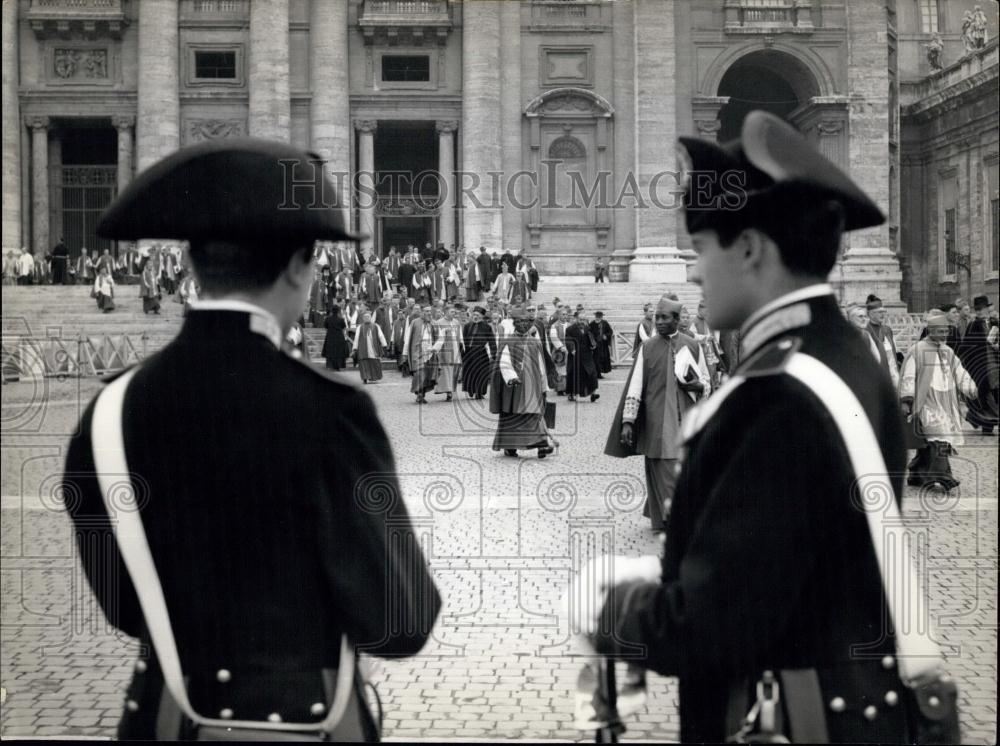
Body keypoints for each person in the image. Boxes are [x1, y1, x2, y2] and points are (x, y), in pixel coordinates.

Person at [63, 138, 440, 740]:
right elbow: (400, 618)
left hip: (167, 718)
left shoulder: (110, 408)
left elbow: (121, 603)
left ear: (191, 265)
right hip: (310, 720)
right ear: (298, 264)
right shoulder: (332, 410)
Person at [574, 111, 921, 744]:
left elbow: (714, 625)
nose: (695, 271)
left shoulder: (774, 397)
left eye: (702, 248)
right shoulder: (846, 356)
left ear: (752, 247)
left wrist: (611, 602)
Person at [605, 294, 709, 531]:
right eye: (656, 318)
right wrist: (628, 421)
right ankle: (672, 515)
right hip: (656, 417)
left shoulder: (692, 345)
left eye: (664, 318)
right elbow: (635, 385)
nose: (659, 322)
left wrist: (699, 385)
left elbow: (706, 379)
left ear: (676, 320)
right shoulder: (648, 348)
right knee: (662, 464)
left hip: (686, 416)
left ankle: (668, 513)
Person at [900, 308, 978, 489]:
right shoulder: (917, 350)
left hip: (946, 400)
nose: (944, 335)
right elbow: (909, 376)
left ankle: (916, 472)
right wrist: (907, 400)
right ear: (931, 330)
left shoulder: (948, 351)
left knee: (931, 440)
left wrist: (970, 387)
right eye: (941, 331)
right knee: (939, 435)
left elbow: (959, 371)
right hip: (927, 400)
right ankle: (943, 476)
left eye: (946, 331)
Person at [490, 305, 554, 458]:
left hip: (533, 385)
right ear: (514, 324)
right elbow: (504, 362)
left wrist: (543, 384)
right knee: (512, 415)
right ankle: (510, 446)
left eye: (527, 322)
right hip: (514, 387)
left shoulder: (535, 342)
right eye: (520, 322)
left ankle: (542, 446)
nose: (524, 324)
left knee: (535, 413)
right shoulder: (508, 341)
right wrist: (511, 377)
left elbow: (541, 365)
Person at [956, 295, 998, 434]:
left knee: (994, 392)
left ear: (987, 308)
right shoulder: (973, 325)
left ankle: (978, 419)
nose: (980, 312)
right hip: (981, 365)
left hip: (994, 362)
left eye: (982, 309)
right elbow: (966, 346)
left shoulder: (994, 323)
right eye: (977, 309)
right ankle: (986, 425)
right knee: (984, 393)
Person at [402, 305, 438, 404]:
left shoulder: (433, 323)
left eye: (430, 311)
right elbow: (407, 338)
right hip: (417, 352)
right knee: (419, 374)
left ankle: (421, 395)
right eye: (426, 311)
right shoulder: (414, 323)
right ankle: (419, 393)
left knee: (427, 375)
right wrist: (405, 353)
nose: (429, 313)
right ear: (421, 312)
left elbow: (437, 338)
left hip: (429, 354)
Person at [865, 294, 900, 389]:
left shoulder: (887, 330)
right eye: (879, 312)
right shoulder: (866, 331)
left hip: (892, 375)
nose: (883, 314)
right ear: (871, 314)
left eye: (883, 311)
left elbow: (893, 355)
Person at [565, 311, 600, 403]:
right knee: (574, 375)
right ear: (576, 319)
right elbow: (568, 340)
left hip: (587, 355)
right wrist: (572, 349)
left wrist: (593, 345)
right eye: (580, 319)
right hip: (575, 355)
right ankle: (572, 394)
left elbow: (591, 339)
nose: (582, 321)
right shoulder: (570, 329)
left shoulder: (587, 328)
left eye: (584, 319)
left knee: (592, 373)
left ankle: (593, 393)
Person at [462, 306, 496, 400]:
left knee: (481, 373)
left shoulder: (487, 327)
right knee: (470, 372)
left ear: (482, 316)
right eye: (474, 315)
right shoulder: (467, 326)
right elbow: (463, 340)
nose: (475, 317)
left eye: (477, 315)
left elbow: (492, 341)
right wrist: (463, 353)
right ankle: (471, 390)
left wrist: (494, 354)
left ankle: (479, 392)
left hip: (481, 352)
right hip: (469, 352)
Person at [688, 299, 721, 391]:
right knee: (706, 373)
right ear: (699, 310)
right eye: (705, 311)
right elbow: (693, 337)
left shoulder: (708, 320)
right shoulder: (694, 322)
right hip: (701, 351)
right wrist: (706, 337)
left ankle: (715, 387)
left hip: (710, 349)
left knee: (714, 370)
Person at [432, 307, 463, 401]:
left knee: (455, 371)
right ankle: (448, 392)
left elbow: (460, 335)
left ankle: (452, 390)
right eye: (452, 311)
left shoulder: (456, 322)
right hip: (445, 350)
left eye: (454, 311)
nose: (454, 313)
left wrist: (462, 346)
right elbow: (436, 337)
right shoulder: (439, 323)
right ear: (446, 312)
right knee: (447, 371)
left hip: (456, 349)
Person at [351, 311, 388, 384]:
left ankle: (373, 377)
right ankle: (365, 378)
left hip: (373, 348)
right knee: (364, 363)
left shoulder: (376, 326)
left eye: (368, 317)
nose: (366, 318)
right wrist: (355, 348)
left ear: (370, 318)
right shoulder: (359, 327)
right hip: (363, 349)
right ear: (363, 318)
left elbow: (381, 335)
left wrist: (384, 344)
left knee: (374, 362)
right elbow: (356, 338)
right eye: (365, 317)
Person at [322, 305, 350, 371]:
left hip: (330, 336)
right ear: (338, 311)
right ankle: (338, 366)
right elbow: (343, 327)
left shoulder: (328, 318)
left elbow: (325, 327)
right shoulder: (341, 319)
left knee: (330, 350)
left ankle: (330, 365)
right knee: (339, 351)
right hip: (339, 337)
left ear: (332, 311)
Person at [590, 311, 614, 378]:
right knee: (595, 359)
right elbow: (589, 333)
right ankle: (596, 374)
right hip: (595, 345)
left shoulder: (605, 323)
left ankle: (599, 373)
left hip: (603, 346)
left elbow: (610, 331)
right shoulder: (592, 324)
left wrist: (606, 336)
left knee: (602, 359)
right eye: (597, 316)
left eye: (599, 316)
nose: (598, 318)